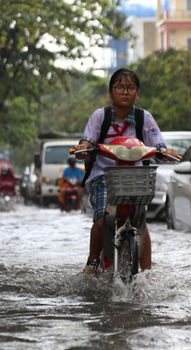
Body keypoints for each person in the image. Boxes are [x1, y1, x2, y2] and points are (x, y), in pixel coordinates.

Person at [74, 68, 179, 274]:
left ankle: (147, 273)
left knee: (140, 220)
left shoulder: (144, 118)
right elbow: (87, 141)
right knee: (103, 219)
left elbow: (159, 145)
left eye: (130, 87)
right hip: (103, 177)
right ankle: (92, 263)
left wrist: (166, 152)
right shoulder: (100, 116)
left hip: (136, 178)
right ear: (110, 92)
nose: (125, 91)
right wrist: (82, 148)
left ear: (137, 93)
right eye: (120, 87)